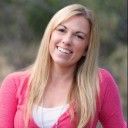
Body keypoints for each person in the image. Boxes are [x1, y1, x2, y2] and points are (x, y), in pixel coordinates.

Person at [0, 4, 127, 128]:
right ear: (50, 35)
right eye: (61, 30)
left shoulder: (99, 82)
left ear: (86, 49)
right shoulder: (14, 84)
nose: (66, 40)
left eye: (79, 36)